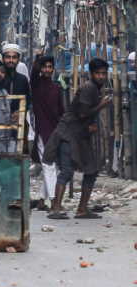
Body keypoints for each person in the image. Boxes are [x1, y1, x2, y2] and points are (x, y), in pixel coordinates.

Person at [44, 58, 113, 220]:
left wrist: (91, 125)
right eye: (98, 73)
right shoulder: (88, 88)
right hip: (68, 133)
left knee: (91, 170)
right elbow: (82, 113)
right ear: (91, 74)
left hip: (80, 135)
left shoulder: (96, 89)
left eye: (104, 73)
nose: (101, 77)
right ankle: (56, 208)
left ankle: (82, 209)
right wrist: (102, 105)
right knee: (67, 170)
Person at [30, 52, 65, 211]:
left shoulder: (57, 87)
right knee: (49, 165)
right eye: (44, 67)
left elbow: (60, 110)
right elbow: (34, 72)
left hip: (55, 130)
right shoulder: (36, 84)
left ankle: (41, 201)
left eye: (50, 67)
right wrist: (38, 58)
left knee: (53, 165)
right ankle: (54, 201)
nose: (47, 70)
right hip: (43, 131)